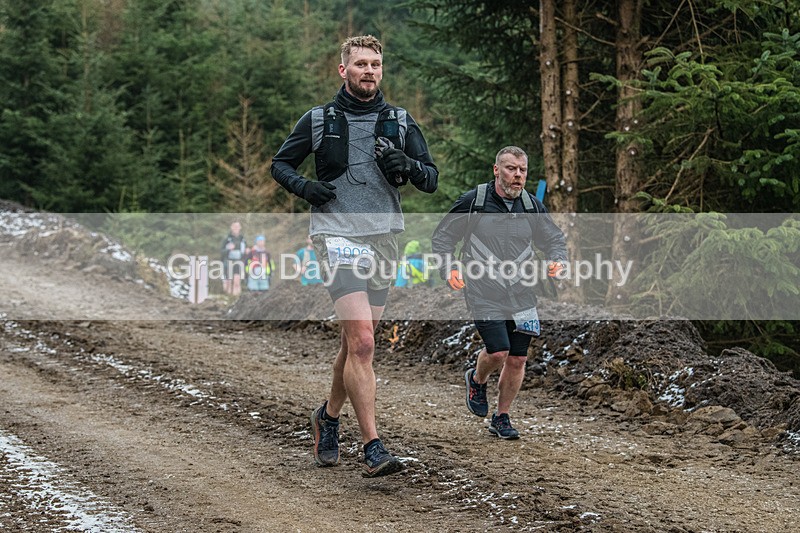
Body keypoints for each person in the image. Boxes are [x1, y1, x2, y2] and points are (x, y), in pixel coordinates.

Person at [271, 35, 438, 476]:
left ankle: (327, 417)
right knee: (363, 341)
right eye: (360, 63)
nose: (369, 70)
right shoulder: (319, 119)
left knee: (354, 343)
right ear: (342, 70)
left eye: (376, 64)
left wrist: (408, 165)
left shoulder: (401, 121)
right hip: (335, 234)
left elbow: (431, 179)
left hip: (384, 237)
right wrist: (304, 187)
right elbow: (280, 165)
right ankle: (373, 447)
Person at [431, 146, 566, 440]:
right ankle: (477, 379)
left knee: (518, 358)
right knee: (499, 351)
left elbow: (554, 238)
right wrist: (448, 268)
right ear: (496, 170)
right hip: (483, 289)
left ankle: (501, 416)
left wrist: (558, 259)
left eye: (522, 170)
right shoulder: (475, 201)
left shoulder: (531, 206)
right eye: (510, 169)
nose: (517, 175)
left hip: (523, 291)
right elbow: (443, 239)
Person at [221, 221, 246, 295]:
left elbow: (245, 251)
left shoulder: (242, 239)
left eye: (237, 226)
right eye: (234, 226)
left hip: (238, 262)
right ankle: (228, 297)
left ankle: (237, 298)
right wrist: (228, 249)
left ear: (240, 228)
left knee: (237, 282)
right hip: (228, 262)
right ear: (231, 227)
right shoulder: (227, 239)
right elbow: (222, 251)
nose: (236, 228)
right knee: (228, 283)